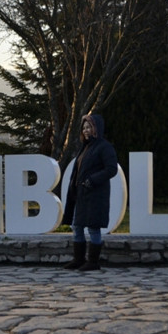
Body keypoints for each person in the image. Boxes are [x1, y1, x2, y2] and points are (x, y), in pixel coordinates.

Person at [61, 114, 117, 271]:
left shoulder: (104, 147)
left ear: (96, 128)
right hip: (80, 194)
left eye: (89, 127)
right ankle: (78, 260)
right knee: (77, 226)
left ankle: (93, 262)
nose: (86, 130)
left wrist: (92, 180)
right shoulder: (84, 147)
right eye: (84, 127)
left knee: (93, 228)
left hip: (95, 195)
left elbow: (111, 169)